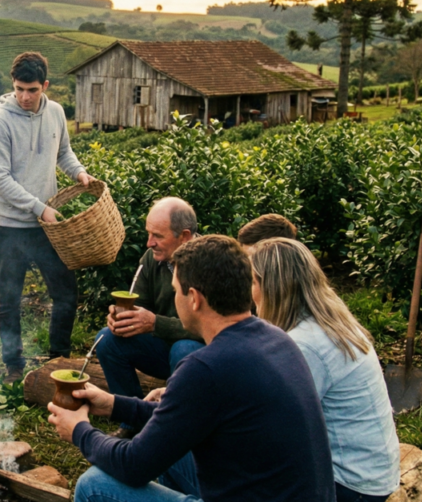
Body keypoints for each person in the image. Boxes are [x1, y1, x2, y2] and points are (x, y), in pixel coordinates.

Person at [48, 235, 335, 502]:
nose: (174, 298)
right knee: (171, 450)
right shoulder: (276, 339)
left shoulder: (207, 368)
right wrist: (113, 404)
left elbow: (133, 465)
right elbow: (180, 419)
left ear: (195, 298)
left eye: (175, 290)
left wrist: (79, 431)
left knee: (94, 485)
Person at [250, 238, 399, 502]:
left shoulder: (305, 345)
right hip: (370, 474)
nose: (250, 293)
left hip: (348, 486)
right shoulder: (329, 322)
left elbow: (271, 429)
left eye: (252, 282)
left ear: (271, 287)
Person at [0, 51, 94, 384]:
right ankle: (13, 365)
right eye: (19, 89)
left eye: (32, 90)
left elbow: (64, 152)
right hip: (10, 226)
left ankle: (57, 359)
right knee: (10, 299)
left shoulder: (56, 113)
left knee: (65, 293)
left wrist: (80, 173)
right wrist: (39, 207)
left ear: (45, 85)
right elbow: (0, 180)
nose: (24, 97)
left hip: (48, 227)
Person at [95, 198, 204, 406]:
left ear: (184, 236)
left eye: (157, 236)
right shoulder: (152, 258)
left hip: (202, 355)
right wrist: (123, 319)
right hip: (164, 348)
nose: (149, 242)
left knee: (183, 349)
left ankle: (179, 425)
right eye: (148, 233)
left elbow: (215, 328)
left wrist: (155, 323)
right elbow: (140, 309)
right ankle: (133, 421)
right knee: (107, 339)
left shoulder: (212, 262)